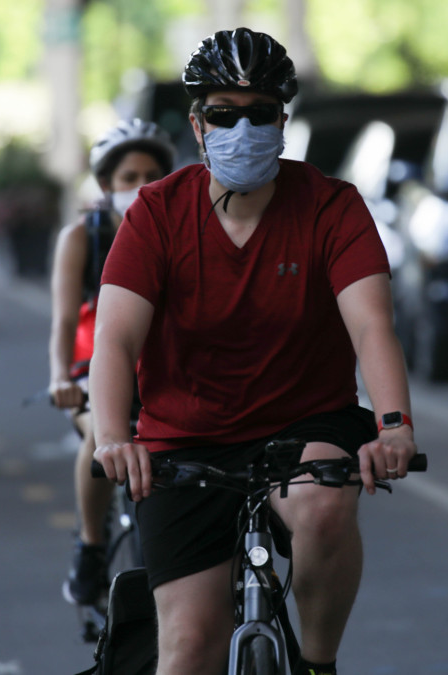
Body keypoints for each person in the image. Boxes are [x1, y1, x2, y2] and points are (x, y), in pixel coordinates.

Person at [89, 28, 417, 675]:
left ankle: (319, 663)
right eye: (223, 113)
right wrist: (109, 437)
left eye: (260, 112)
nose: (243, 127)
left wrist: (395, 424)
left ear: (283, 120)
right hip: (182, 444)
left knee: (325, 503)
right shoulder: (155, 213)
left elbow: (372, 326)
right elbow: (115, 336)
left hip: (304, 426)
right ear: (197, 122)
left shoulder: (333, 207)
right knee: (187, 650)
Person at [47, 119, 175, 606]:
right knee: (102, 437)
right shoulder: (81, 238)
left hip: (163, 378)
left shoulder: (180, 232)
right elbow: (62, 321)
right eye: (129, 177)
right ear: (106, 185)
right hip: (90, 377)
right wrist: (61, 377)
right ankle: (91, 547)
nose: (141, 187)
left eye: (152, 175)